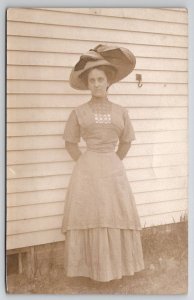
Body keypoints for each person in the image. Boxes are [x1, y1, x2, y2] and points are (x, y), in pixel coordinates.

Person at [61, 44, 145, 282]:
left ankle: (117, 268)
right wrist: (86, 163)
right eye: (92, 80)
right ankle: (89, 270)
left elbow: (126, 141)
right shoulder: (78, 112)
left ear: (108, 82)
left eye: (100, 79)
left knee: (114, 213)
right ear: (87, 85)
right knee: (90, 214)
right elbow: (70, 143)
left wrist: (112, 161)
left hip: (113, 170)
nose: (96, 84)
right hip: (86, 172)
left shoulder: (121, 111)